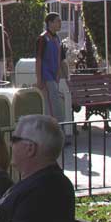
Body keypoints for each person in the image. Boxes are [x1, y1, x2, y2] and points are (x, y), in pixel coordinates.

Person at [36, 12, 71, 146]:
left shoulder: (57, 39)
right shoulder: (42, 39)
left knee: (56, 107)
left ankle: (58, 136)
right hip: (46, 77)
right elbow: (38, 59)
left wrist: (61, 74)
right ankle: (55, 138)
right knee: (52, 108)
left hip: (54, 77)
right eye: (57, 21)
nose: (60, 24)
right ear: (50, 23)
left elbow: (60, 58)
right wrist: (39, 79)